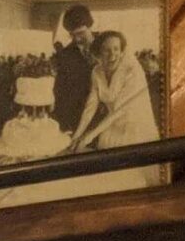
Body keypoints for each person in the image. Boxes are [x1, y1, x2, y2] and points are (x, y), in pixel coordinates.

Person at [68, 27, 160, 156]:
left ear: (122, 51)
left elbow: (119, 110)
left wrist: (88, 138)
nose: (112, 55)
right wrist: (77, 135)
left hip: (133, 129)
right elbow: (91, 106)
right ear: (99, 52)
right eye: (107, 50)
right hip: (111, 126)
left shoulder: (132, 70)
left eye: (116, 49)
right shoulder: (97, 72)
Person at [50, 2, 95, 142]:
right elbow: (61, 91)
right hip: (78, 117)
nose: (77, 39)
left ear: (90, 27)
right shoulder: (65, 55)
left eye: (81, 33)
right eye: (72, 35)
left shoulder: (108, 45)